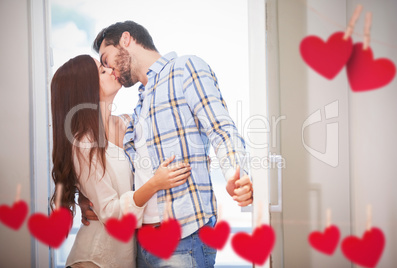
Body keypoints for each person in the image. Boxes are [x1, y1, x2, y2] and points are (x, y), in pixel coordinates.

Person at [81, 20, 254, 267]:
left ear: (126, 40)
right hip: (141, 245)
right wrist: (87, 199)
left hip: (182, 240)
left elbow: (221, 129)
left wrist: (234, 173)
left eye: (107, 59)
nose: (110, 70)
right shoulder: (139, 108)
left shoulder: (184, 68)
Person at [50, 54, 192, 268]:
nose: (110, 70)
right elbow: (112, 214)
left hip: (127, 256)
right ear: (84, 88)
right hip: (95, 259)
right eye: (101, 70)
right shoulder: (83, 143)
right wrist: (155, 183)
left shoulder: (128, 124)